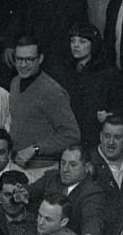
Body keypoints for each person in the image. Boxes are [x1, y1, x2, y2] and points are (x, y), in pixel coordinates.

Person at [7, 36, 80, 180]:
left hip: (42, 171)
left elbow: (72, 135)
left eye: (29, 60)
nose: (23, 64)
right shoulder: (15, 83)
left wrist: (35, 149)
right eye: (19, 59)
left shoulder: (52, 91)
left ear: (40, 59)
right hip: (15, 166)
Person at [49, 22, 123, 151]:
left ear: (93, 45)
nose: (76, 45)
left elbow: (120, 108)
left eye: (82, 41)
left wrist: (108, 115)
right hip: (68, 137)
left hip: (95, 137)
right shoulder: (62, 73)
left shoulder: (109, 74)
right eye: (73, 41)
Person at [27, 144, 105, 235]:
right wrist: (22, 193)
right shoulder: (52, 177)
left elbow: (92, 218)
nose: (65, 169)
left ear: (87, 167)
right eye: (63, 163)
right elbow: (30, 192)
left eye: (73, 165)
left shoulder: (91, 191)